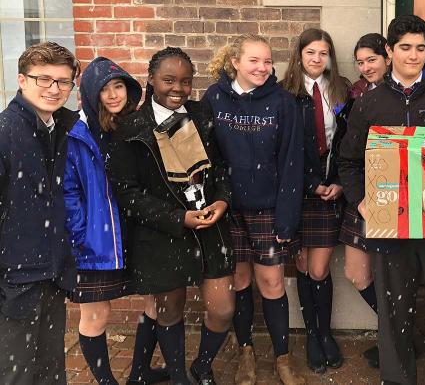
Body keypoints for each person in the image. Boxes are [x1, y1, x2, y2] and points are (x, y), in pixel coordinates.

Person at [338, 14, 425, 385]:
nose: (414, 55)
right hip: (391, 227)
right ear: (389, 51)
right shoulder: (369, 104)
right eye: (405, 48)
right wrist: (361, 202)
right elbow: (348, 161)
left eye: (420, 48)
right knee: (393, 314)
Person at [109, 47, 235, 385]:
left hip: (209, 223)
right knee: (169, 309)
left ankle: (202, 366)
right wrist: (177, 218)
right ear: (151, 79)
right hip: (163, 231)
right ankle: (179, 376)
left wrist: (222, 201)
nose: (177, 88)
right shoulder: (132, 127)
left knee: (223, 308)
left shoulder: (199, 115)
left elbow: (220, 169)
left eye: (185, 81)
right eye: (168, 80)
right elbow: (127, 194)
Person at [203, 35, 305, 385]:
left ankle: (282, 359)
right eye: (254, 61)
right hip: (228, 209)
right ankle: (246, 353)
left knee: (272, 282)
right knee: (240, 281)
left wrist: (287, 216)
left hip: (268, 209)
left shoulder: (282, 102)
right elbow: (209, 157)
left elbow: (292, 161)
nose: (263, 68)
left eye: (267, 61)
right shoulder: (214, 98)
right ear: (235, 61)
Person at [64, 57, 168, 385]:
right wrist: (82, 234)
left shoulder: (135, 126)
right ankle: (107, 381)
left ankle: (139, 372)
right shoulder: (78, 134)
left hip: (135, 228)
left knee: (154, 300)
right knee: (97, 313)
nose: (113, 95)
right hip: (96, 237)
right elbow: (69, 192)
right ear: (91, 94)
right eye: (104, 90)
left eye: (118, 86)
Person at [0, 42, 80, 384]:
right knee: (16, 374)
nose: (54, 89)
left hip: (50, 273)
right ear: (22, 80)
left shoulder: (57, 129)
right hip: (14, 280)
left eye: (63, 81)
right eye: (43, 79)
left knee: (49, 371)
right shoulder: (6, 133)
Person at [281, 28, 350, 374]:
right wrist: (309, 184)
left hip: (331, 190)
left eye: (323, 53)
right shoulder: (285, 94)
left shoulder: (341, 91)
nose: (317, 59)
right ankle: (311, 335)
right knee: (304, 265)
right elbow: (284, 148)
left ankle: (325, 333)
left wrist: (337, 182)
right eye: (311, 52)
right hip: (297, 192)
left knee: (320, 268)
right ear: (299, 55)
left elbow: (348, 141)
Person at [338, 32, 391, 369]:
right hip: (361, 194)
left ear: (387, 57)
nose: (366, 66)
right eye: (360, 61)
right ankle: (395, 330)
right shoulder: (354, 95)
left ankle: (395, 339)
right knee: (357, 273)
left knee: (392, 276)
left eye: (372, 59)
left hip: (393, 193)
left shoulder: (400, 97)